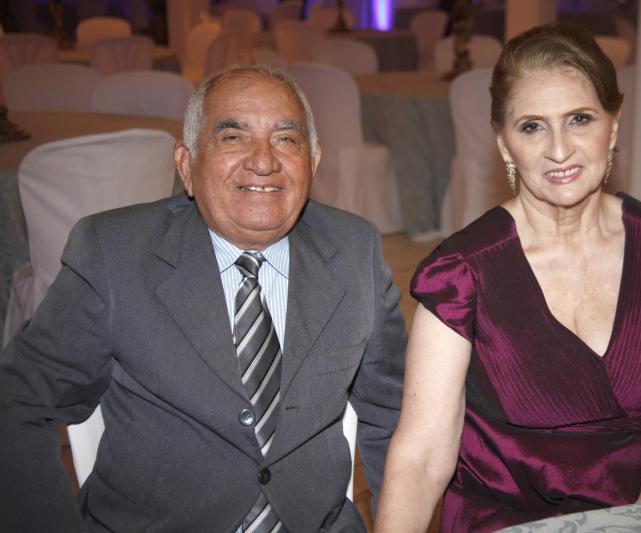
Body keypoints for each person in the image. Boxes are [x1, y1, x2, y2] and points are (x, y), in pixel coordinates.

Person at [0, 64, 406, 532]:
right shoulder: (115, 254)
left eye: (286, 139)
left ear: (313, 162)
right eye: (233, 137)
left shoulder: (354, 250)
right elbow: (17, 404)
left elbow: (398, 412)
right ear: (186, 165)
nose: (263, 161)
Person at [375, 23, 641, 533]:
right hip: (516, 521)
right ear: (504, 144)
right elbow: (421, 457)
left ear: (613, 126)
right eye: (532, 127)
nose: (560, 149)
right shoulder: (462, 274)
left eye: (580, 119)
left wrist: (639, 525)